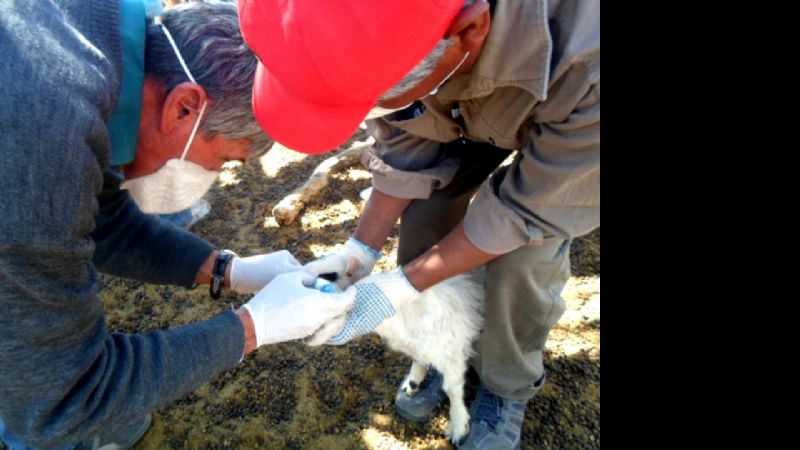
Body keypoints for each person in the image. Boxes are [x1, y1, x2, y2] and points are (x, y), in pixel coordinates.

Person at [238, 0, 599, 447]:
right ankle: (436, 342)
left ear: (469, 30)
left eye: (374, 97)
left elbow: (530, 209)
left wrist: (400, 286)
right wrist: (361, 251)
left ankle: (506, 383)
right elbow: (407, 143)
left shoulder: (590, 60)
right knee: (426, 217)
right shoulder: (387, 35)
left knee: (524, 256)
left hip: (564, 114)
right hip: (463, 100)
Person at [0, 2, 354, 448]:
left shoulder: (112, 35)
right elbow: (66, 397)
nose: (215, 178)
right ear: (185, 107)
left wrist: (228, 269)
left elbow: (103, 222)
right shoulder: (45, 135)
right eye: (224, 160)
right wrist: (253, 327)